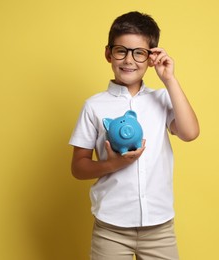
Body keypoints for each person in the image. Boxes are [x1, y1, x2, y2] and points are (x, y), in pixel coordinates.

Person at [69, 11, 199, 260]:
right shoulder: (94, 106)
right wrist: (112, 164)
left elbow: (190, 133)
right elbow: (78, 167)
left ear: (151, 57)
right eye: (121, 50)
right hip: (111, 229)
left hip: (159, 228)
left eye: (139, 52)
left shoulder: (161, 99)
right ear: (108, 53)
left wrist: (169, 79)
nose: (129, 60)